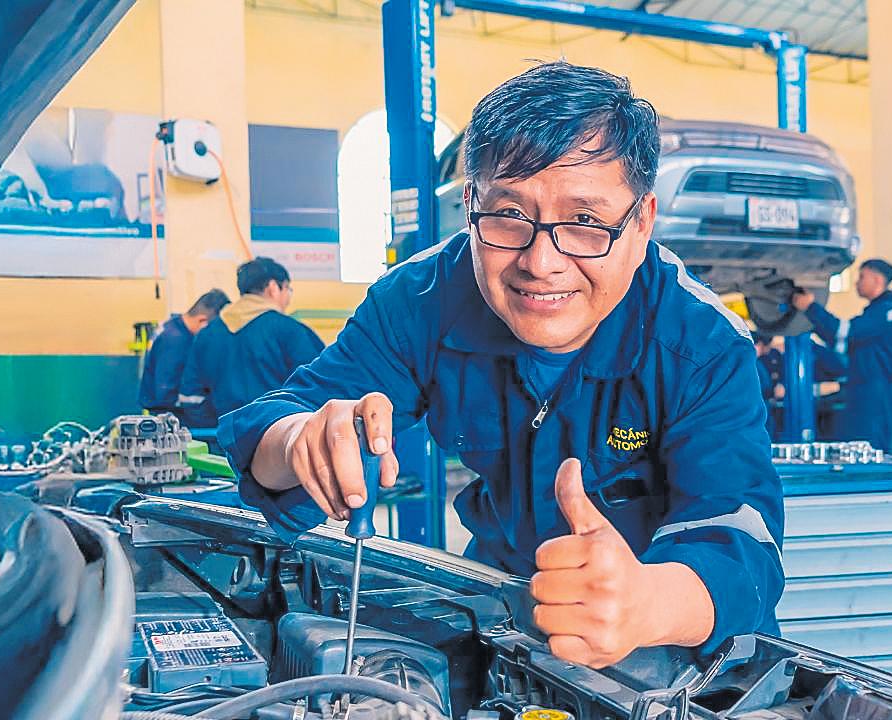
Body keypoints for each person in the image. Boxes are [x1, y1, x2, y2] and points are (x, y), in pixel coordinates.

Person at [219, 63, 783, 668]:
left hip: (676, 652)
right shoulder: (420, 301)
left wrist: (647, 602)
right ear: (471, 204)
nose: (541, 262)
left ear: (642, 221)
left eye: (585, 222)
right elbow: (277, 425)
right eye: (509, 215)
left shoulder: (701, 341)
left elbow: (740, 535)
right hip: (508, 612)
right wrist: (297, 442)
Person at [181, 257, 325, 418]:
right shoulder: (291, 330)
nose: (288, 297)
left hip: (221, 431)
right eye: (287, 289)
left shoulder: (207, 334)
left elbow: (191, 394)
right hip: (277, 429)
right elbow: (318, 385)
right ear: (273, 288)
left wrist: (222, 427)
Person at [792, 259, 892, 451]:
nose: (856, 282)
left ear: (878, 280)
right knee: (858, 447)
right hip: (861, 389)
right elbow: (840, 341)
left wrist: (811, 307)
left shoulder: (889, 310)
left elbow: (845, 332)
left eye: (862, 276)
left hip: (874, 394)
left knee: (871, 449)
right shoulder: (876, 312)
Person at [139, 289, 230, 426]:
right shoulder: (175, 340)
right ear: (202, 321)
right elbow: (166, 392)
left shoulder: (174, 326)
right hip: (169, 416)